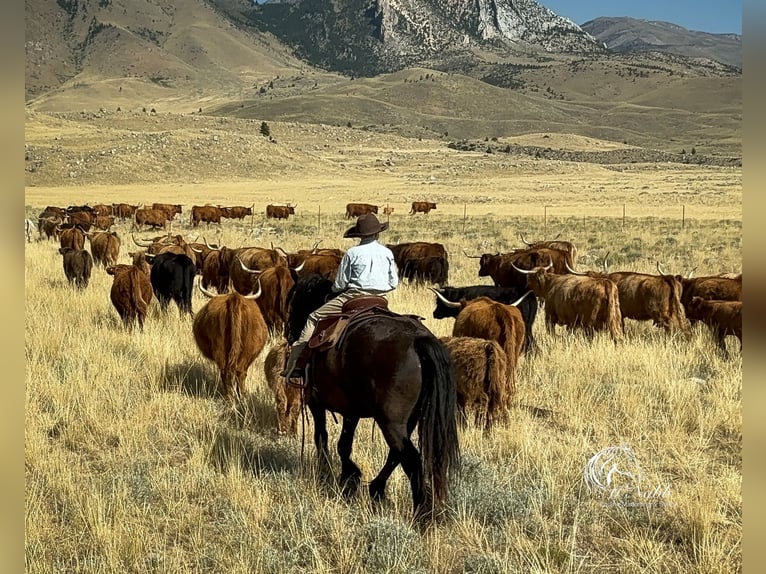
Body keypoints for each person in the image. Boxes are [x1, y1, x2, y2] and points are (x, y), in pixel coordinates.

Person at [281, 212, 399, 379]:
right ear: (377, 233)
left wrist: (335, 290)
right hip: (381, 299)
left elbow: (340, 285)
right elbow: (393, 282)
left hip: (354, 297)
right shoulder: (387, 252)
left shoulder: (352, 253)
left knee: (314, 317)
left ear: (359, 235)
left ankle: (296, 363)